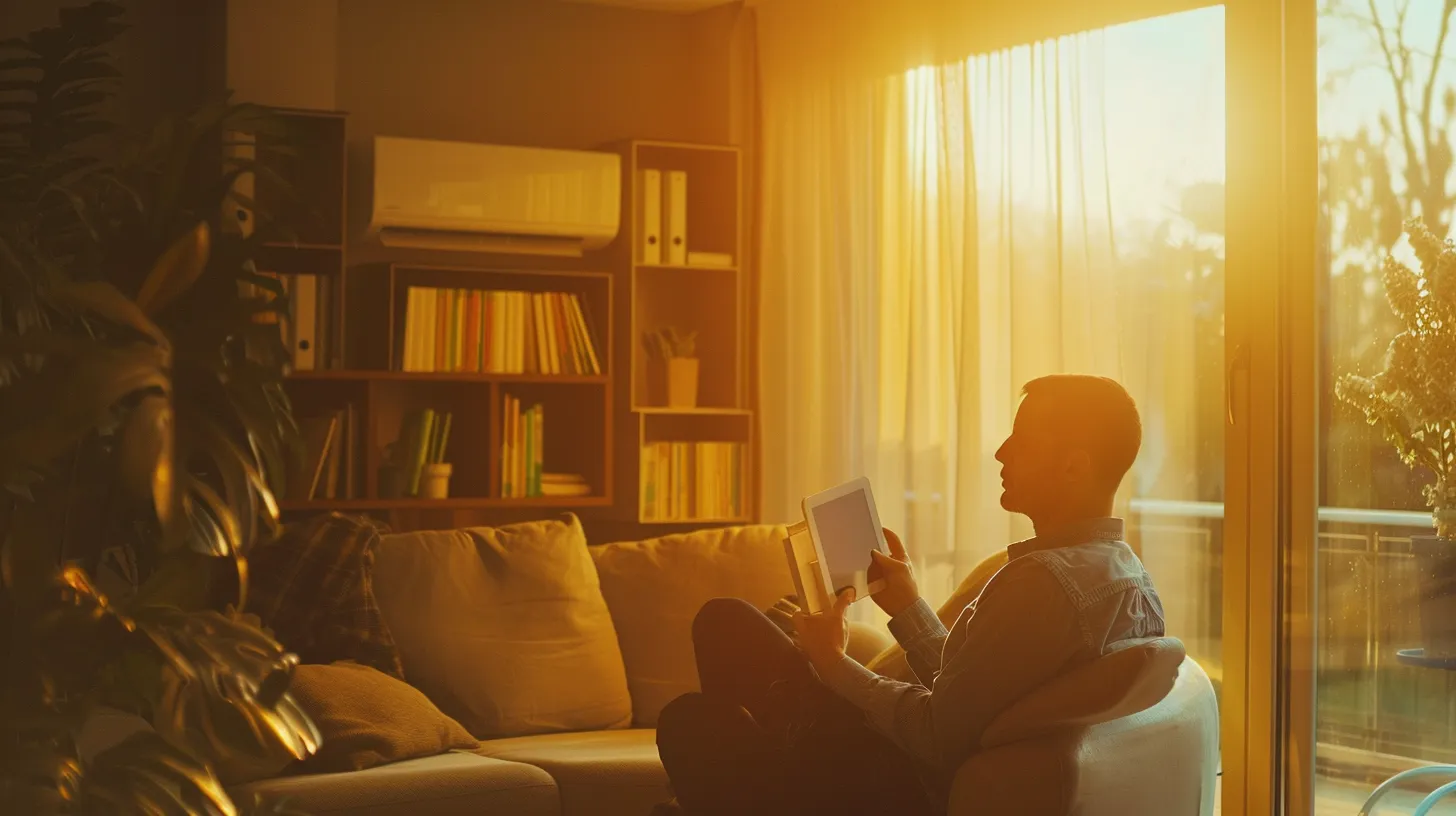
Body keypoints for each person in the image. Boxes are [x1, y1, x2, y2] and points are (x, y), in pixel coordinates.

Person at [654, 375, 1167, 816]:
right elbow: (977, 691)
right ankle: (774, 755)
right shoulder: (1129, 578)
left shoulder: (1042, 584)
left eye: (1022, 440)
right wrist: (907, 607)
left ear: (1074, 467)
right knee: (728, 625)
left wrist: (833, 664)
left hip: (892, 786)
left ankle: (774, 770)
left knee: (692, 719)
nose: (1001, 452)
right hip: (902, 765)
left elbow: (935, 736)